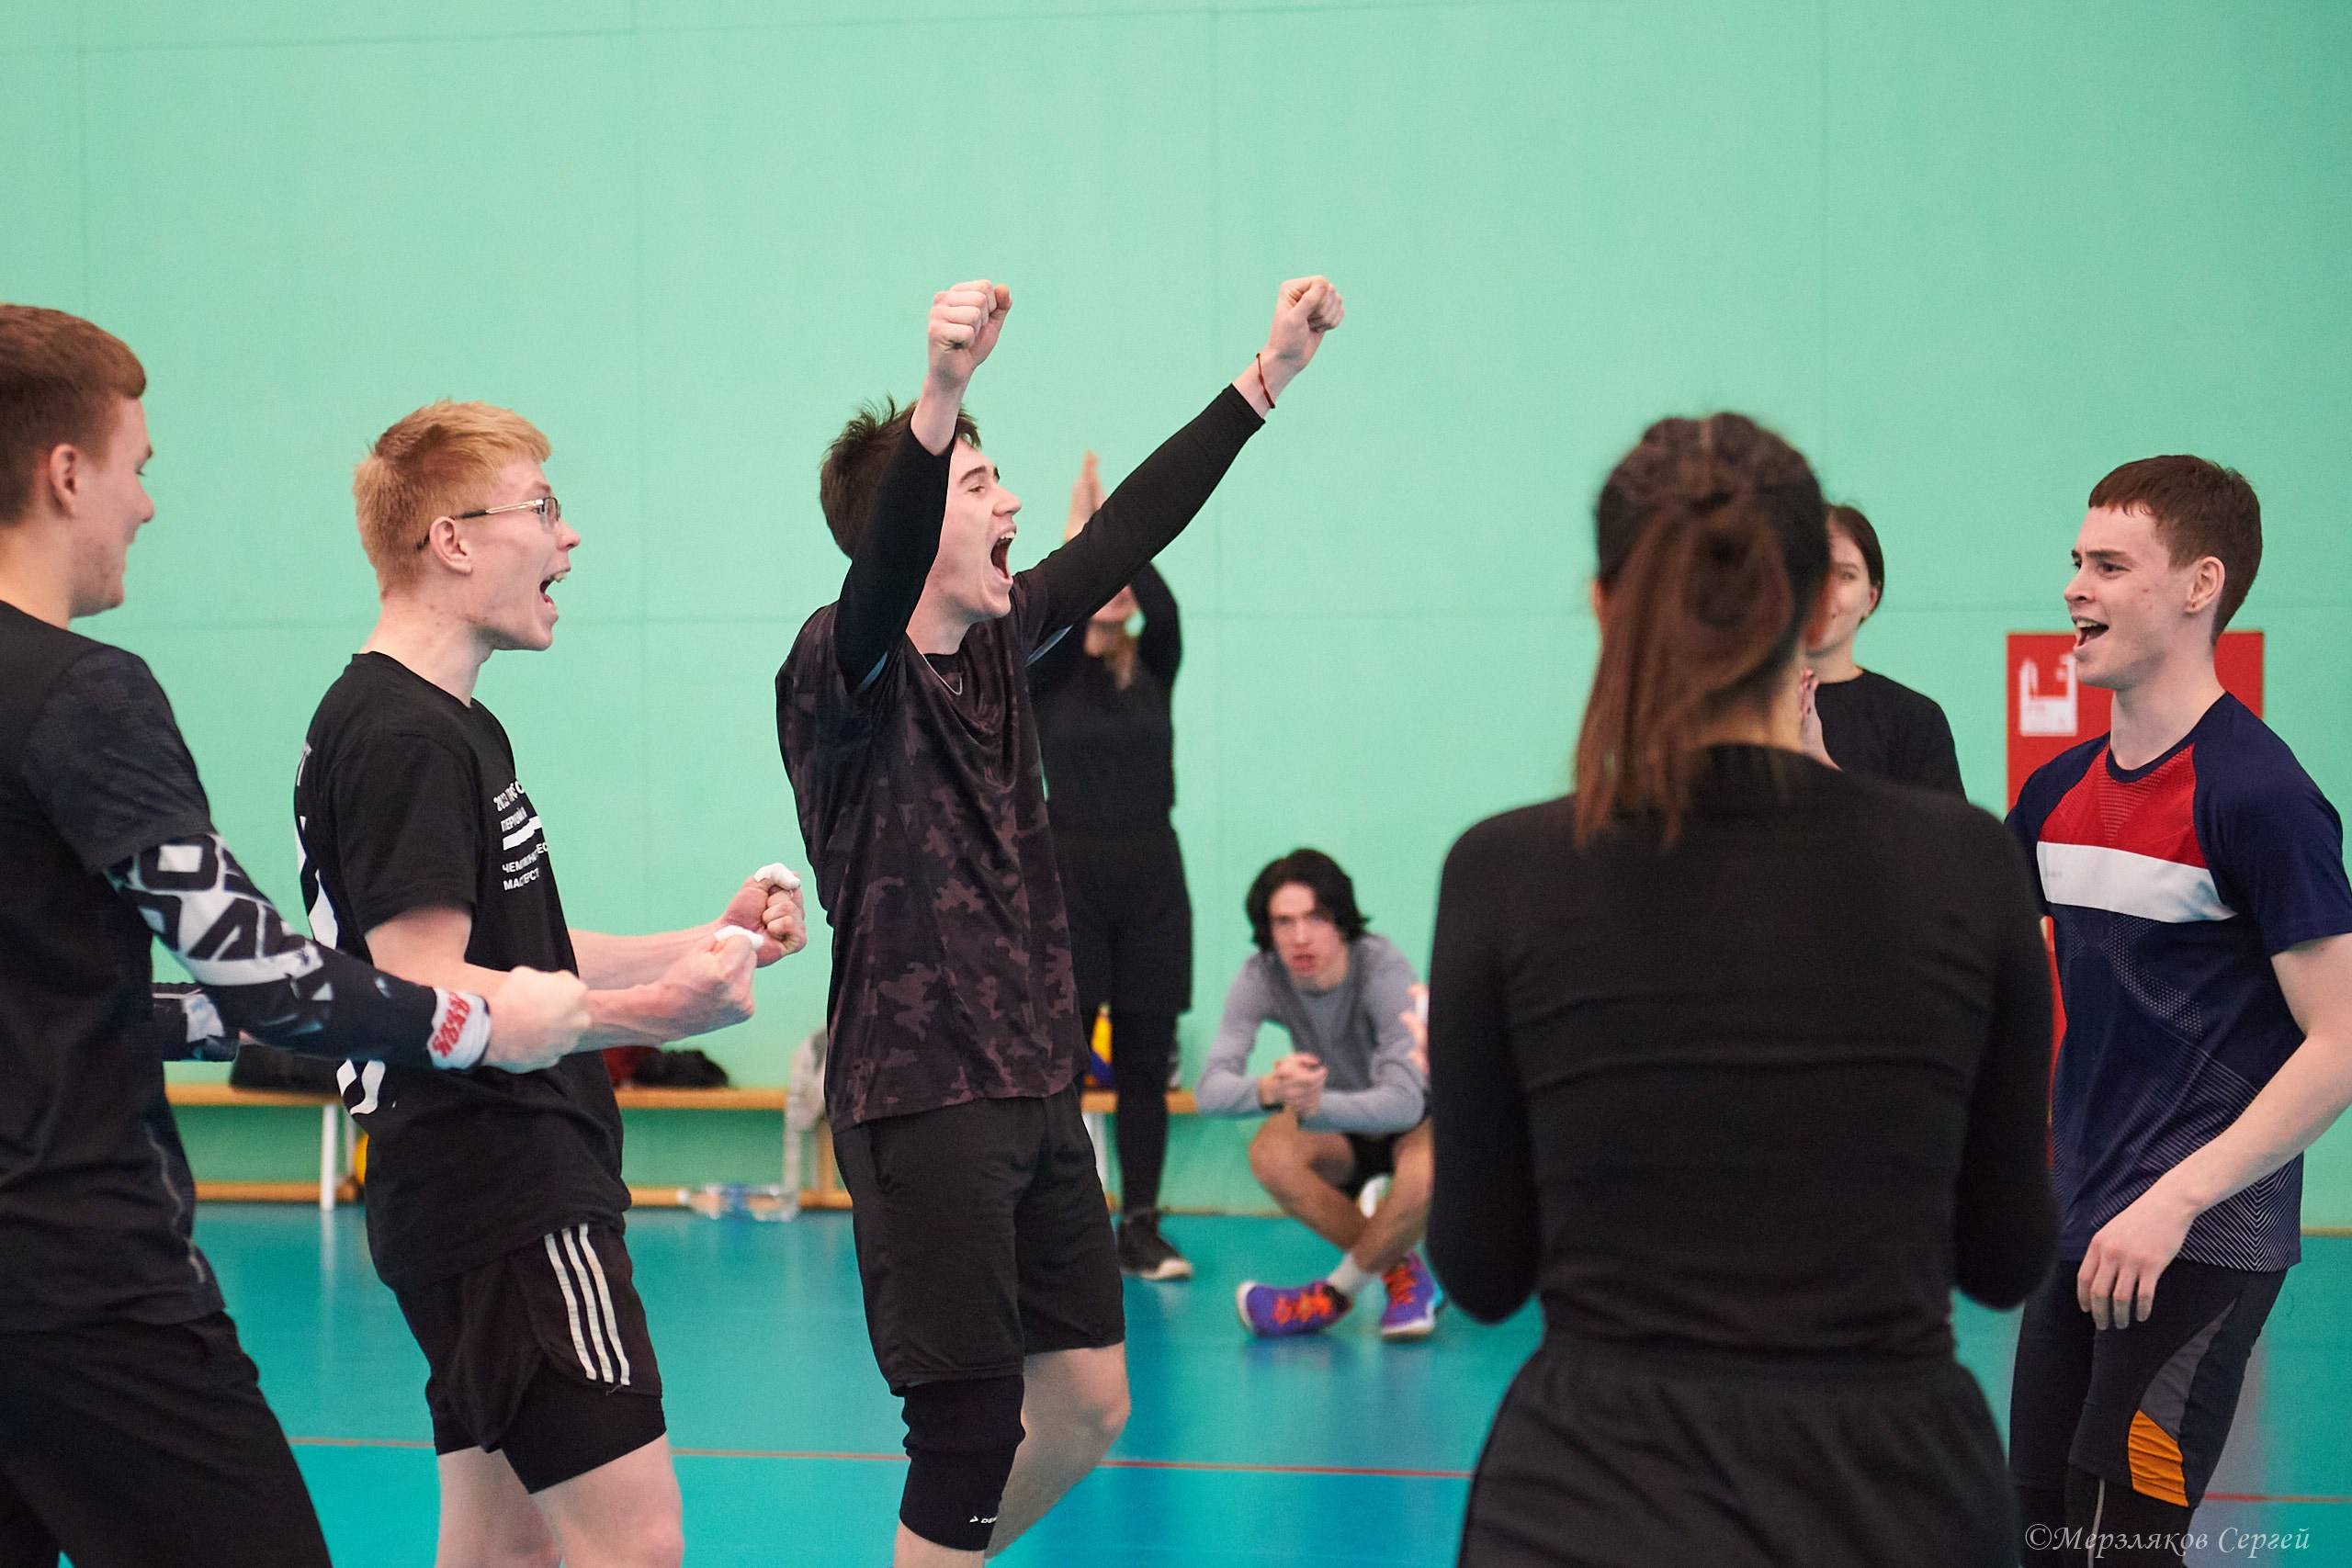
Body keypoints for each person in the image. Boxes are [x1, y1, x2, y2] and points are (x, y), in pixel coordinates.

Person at [0, 304, 594, 1568]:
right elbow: (267, 977)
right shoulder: (80, 694)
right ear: (64, 473)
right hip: (75, 1275)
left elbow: (78, 998)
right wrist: (487, 1015)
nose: (146, 504)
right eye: (137, 466)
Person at [777, 273, 1341, 1567]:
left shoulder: (1008, 636)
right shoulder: (840, 667)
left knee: (1089, 1404)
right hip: (919, 1094)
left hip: (1035, 1085)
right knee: (969, 1424)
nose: (1013, 503)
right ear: (912, 528)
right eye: (982, 486)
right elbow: (879, 583)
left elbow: (1129, 525)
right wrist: (941, 395)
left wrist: (1268, 375)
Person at [1426, 412, 2057, 1567]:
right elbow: (2006, 1257)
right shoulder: (1964, 862)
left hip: (1589, 1494)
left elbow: (1481, 1270)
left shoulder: (1502, 873)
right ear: (1816, 601)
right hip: (1896, 1496)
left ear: (1607, 607)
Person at [295, 399, 809, 1568]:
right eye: (543, 509)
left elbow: (506, 950)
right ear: (454, 540)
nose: (567, 538)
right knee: (635, 1548)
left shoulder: (441, 724)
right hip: (506, 1186)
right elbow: (427, 991)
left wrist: (695, 941)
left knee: (499, 1553)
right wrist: (656, 1016)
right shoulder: (406, 738)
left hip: (463, 1193)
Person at [2006, 456, 2352, 1566]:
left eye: (2109, 565)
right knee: (2046, 1540)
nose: (2074, 588)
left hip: (2201, 1241)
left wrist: (2176, 1200)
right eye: (2074, 562)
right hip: (2078, 1231)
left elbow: (2341, 1044)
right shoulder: (2054, 798)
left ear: (2199, 585)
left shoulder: (2257, 797)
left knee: (2120, 1552)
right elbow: (1956, 965)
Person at [1031, 449, 1194, 1282]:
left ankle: (1143, 1224)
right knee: (1064, 1063)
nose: (1120, 587)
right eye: (1106, 575)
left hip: (1153, 879)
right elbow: (1051, 610)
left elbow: (1159, 604)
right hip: (1072, 879)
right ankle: (1066, 1227)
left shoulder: (1154, 665)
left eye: (1122, 576)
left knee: (1142, 1060)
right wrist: (1083, 543)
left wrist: (1123, 538)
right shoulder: (1050, 675)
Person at [1195, 850, 1439, 1341]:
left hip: (1416, 1119)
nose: (1300, 937)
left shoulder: (1381, 967)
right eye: (1284, 922)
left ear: (1341, 922)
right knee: (1269, 1154)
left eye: (1316, 918)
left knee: (1426, 1173)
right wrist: (1271, 1089)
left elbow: (1405, 1102)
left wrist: (1313, 1105)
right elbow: (1209, 1092)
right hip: (1341, 1121)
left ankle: (1332, 1295)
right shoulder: (1261, 974)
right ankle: (1401, 1271)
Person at [1796, 502, 1964, 793]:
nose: (1824, 592)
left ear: (1871, 598)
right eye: (1809, 569)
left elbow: (1940, 837)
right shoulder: (1732, 709)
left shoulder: (1915, 722)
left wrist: (1819, 763)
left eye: (1845, 575)